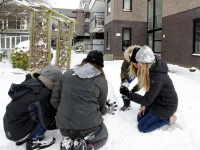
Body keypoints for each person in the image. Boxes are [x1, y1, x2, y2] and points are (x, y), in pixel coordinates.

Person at [50, 50, 117, 150]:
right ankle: (87, 146)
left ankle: (68, 140)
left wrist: (65, 110)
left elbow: (54, 101)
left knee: (71, 131)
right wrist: (107, 110)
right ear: (100, 66)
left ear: (85, 61)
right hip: (89, 128)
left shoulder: (66, 74)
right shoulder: (101, 80)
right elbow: (102, 109)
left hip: (64, 128)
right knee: (104, 136)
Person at [120, 45, 186, 133]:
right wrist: (145, 106)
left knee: (142, 127)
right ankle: (163, 116)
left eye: (139, 63)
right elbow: (149, 91)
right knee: (140, 118)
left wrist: (129, 94)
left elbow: (147, 100)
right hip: (158, 101)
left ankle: (173, 118)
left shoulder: (157, 76)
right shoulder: (150, 69)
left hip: (167, 105)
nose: (137, 65)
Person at [3, 65, 62, 150]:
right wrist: (61, 123)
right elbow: (47, 120)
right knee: (42, 115)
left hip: (10, 127)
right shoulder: (42, 94)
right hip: (18, 133)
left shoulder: (32, 83)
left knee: (35, 111)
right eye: (57, 82)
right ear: (53, 81)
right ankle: (34, 140)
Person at [120, 45, 141, 111]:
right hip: (132, 71)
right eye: (134, 62)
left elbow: (143, 82)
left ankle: (145, 105)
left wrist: (133, 90)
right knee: (123, 85)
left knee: (148, 86)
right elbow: (123, 69)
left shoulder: (145, 63)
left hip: (142, 71)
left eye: (138, 63)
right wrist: (124, 79)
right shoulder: (128, 58)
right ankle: (127, 104)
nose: (136, 65)